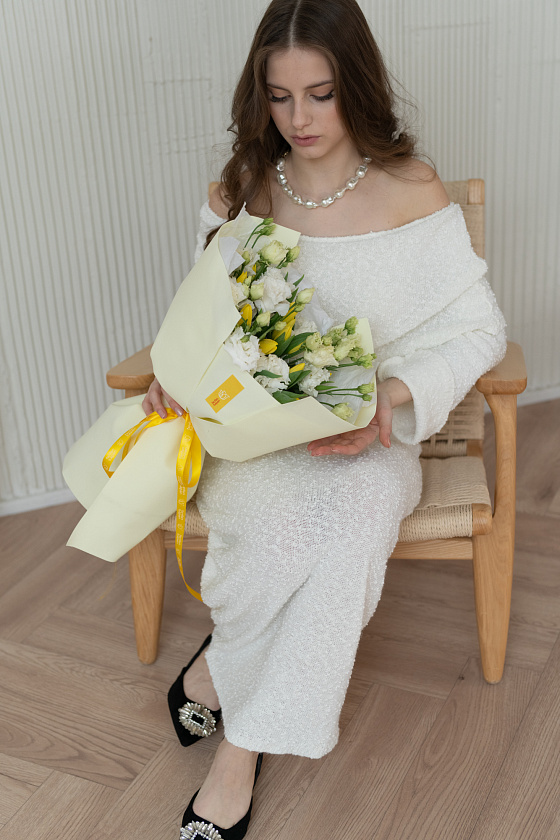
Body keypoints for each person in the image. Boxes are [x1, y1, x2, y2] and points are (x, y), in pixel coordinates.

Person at [142, 1, 507, 837]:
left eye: (321, 94)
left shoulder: (412, 189)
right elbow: (203, 322)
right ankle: (226, 692)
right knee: (279, 537)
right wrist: (176, 377)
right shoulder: (245, 189)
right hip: (253, 440)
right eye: (279, 97)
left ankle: (235, 736)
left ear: (358, 86)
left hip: (367, 441)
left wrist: (391, 396)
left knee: (347, 529)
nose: (299, 119)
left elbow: (480, 329)